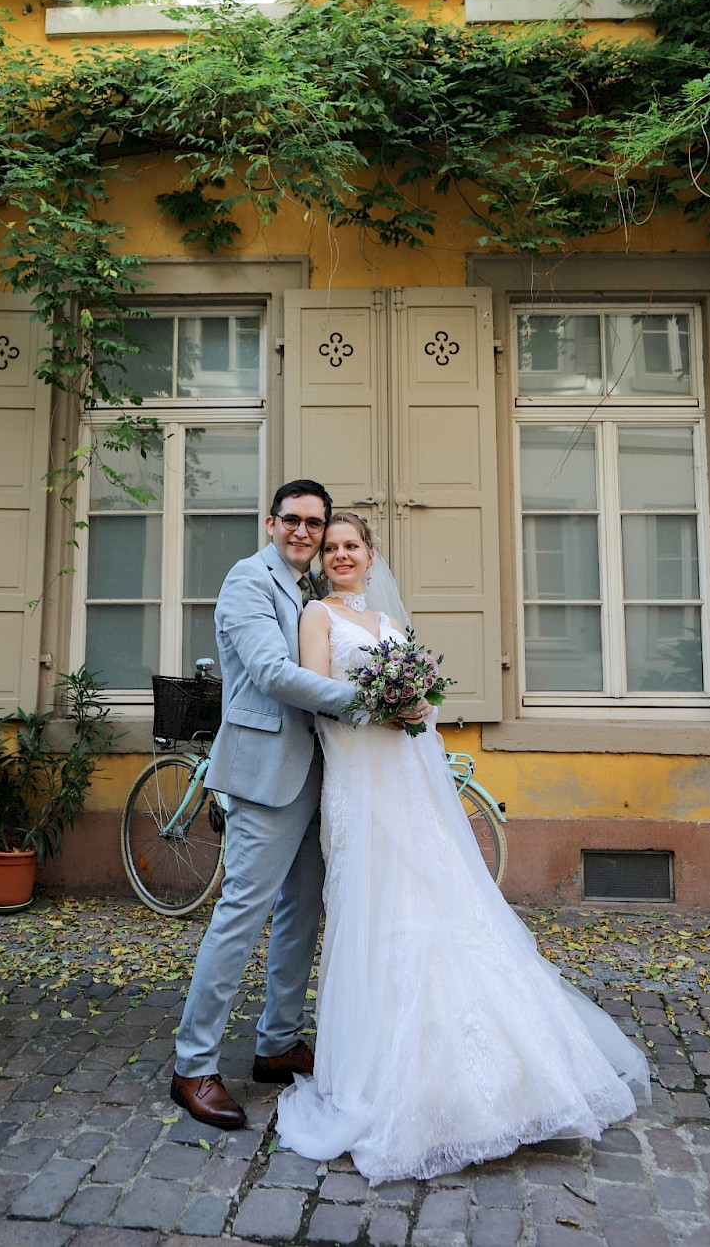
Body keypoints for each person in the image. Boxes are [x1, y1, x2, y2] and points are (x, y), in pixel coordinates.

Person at [275, 511, 652, 1185]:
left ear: (370, 553)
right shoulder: (317, 618)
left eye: (350, 545)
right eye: (329, 547)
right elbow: (316, 699)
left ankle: (497, 1075)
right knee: (375, 906)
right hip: (359, 781)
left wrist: (418, 705)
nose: (339, 555)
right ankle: (381, 1073)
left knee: (441, 897)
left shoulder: (389, 623)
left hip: (408, 781)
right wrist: (377, 706)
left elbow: (418, 696)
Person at [171, 481, 426, 1129]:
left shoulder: (310, 590)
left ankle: (277, 1044)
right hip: (267, 775)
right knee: (241, 916)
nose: (306, 532)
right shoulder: (248, 582)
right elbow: (272, 675)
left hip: (324, 774)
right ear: (271, 522)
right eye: (295, 520)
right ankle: (193, 1064)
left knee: (301, 915)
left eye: (316, 522)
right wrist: (373, 704)